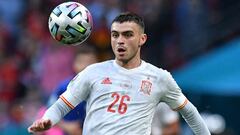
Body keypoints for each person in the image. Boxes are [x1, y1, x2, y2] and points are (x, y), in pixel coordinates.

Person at [28, 12, 210, 135]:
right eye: (115, 35)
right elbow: (61, 106)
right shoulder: (92, 73)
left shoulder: (159, 78)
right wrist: (48, 120)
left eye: (128, 34)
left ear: (142, 39)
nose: (120, 41)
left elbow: (190, 113)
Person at [46, 47, 98, 135]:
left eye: (90, 62)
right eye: (81, 62)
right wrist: (67, 126)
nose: (85, 66)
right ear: (74, 64)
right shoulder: (63, 88)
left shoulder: (104, 89)